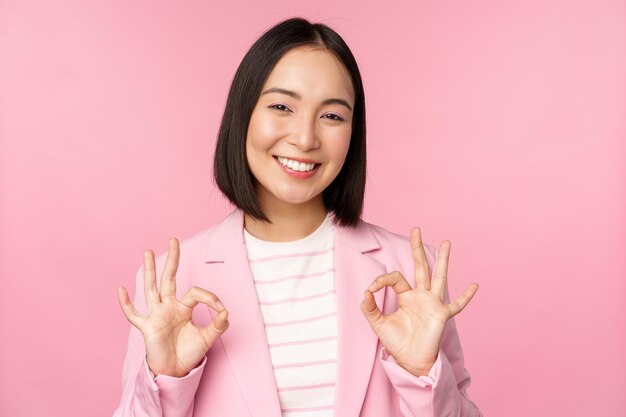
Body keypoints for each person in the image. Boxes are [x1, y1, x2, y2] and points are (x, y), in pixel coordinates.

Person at [113, 17, 482, 417]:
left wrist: (422, 374)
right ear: (243, 115)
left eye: (333, 116)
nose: (305, 138)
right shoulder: (174, 278)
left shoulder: (411, 272)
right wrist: (166, 380)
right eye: (281, 107)